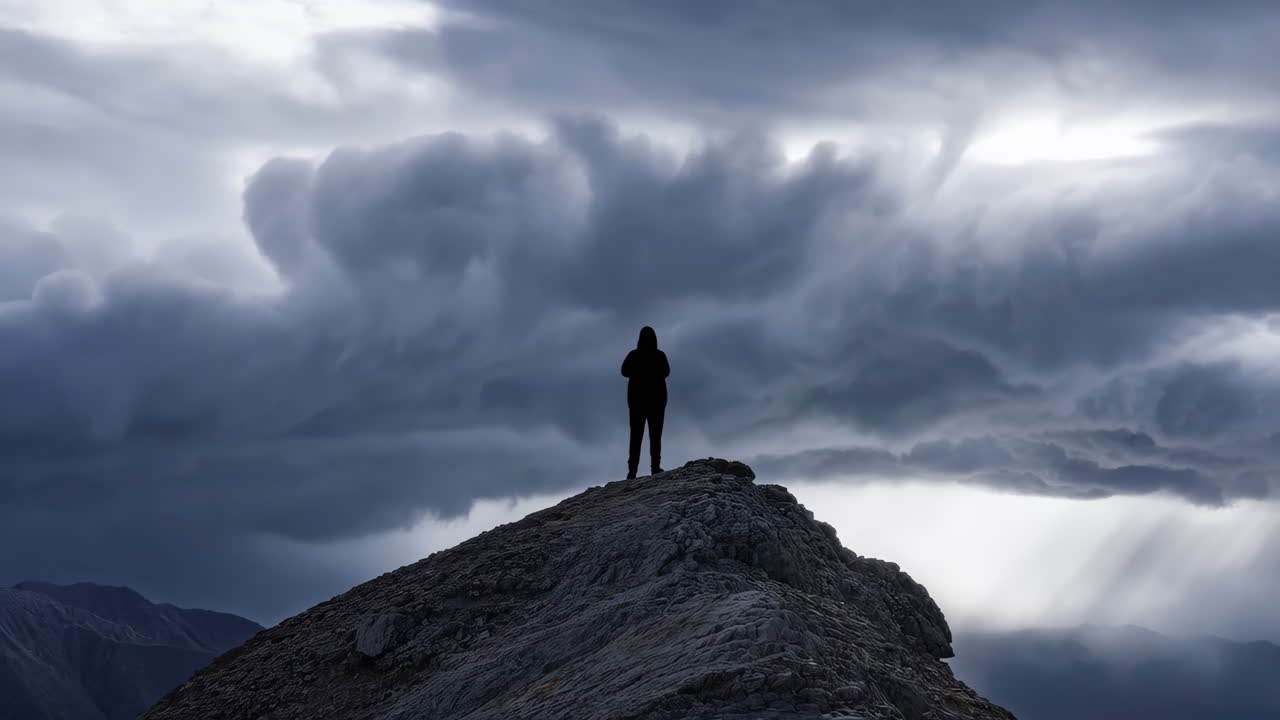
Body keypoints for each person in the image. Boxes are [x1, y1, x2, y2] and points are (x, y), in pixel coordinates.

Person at [620, 326, 669, 479]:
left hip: (639, 402)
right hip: (652, 402)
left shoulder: (634, 355)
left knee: (637, 437)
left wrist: (640, 372)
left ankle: (633, 471)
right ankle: (653, 468)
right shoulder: (659, 355)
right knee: (653, 436)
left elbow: (625, 371)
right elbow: (665, 372)